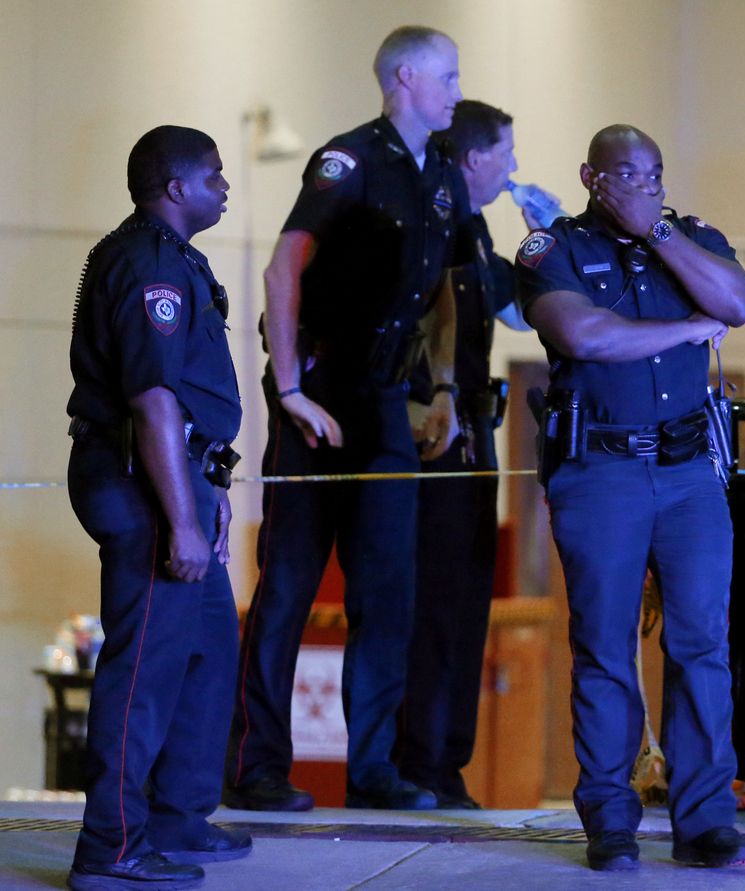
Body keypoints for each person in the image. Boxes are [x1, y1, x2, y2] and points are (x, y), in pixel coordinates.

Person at [225, 25, 468, 812]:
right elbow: (283, 265)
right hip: (320, 389)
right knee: (291, 581)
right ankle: (259, 765)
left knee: (386, 590)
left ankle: (372, 771)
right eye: (447, 78)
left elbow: (444, 294)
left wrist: (442, 389)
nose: (457, 92)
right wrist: (291, 389)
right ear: (404, 78)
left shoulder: (441, 174)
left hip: (386, 403)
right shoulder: (348, 160)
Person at [515, 125, 745, 871]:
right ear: (592, 176)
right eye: (627, 175)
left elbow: (738, 302)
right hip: (602, 472)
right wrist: (688, 328)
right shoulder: (551, 251)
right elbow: (584, 334)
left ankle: (706, 820)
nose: (644, 185)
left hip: (690, 476)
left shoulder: (690, 236)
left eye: (653, 174)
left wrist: (657, 231)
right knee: (604, 647)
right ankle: (611, 820)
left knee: (702, 645)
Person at [66, 125, 250, 890]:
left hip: (178, 477)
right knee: (141, 670)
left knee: (206, 645)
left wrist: (206, 494)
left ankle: (176, 815)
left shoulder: (177, 258)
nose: (225, 184)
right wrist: (179, 517)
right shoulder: (149, 265)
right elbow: (152, 400)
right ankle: (109, 849)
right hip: (142, 480)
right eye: (213, 174)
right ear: (174, 187)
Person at [396, 99, 537, 809]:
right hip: (433, 444)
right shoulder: (431, 222)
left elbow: (522, 303)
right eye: (506, 155)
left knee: (465, 605)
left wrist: (550, 237)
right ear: (476, 157)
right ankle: (417, 763)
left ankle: (445, 763)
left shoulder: (475, 230)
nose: (512, 168)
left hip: (476, 446)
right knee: (434, 606)